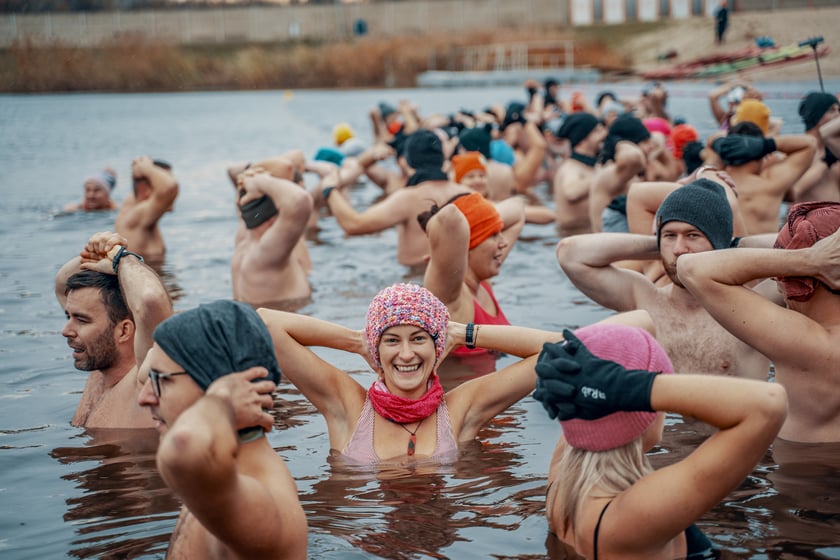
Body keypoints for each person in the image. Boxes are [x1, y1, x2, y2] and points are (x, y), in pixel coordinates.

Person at [258, 283, 597, 465]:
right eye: (392, 341)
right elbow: (268, 323)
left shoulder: (461, 409)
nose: (406, 354)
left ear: (438, 347)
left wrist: (463, 333)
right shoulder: (348, 406)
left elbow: (564, 349)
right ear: (378, 349)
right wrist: (358, 341)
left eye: (419, 339)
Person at [535, 322, 787, 558]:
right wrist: (630, 387)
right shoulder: (631, 515)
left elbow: (639, 321)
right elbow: (769, 404)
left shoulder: (561, 485)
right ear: (641, 405)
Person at [556, 176, 775, 379]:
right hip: (663, 423)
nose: (679, 249)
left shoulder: (752, 306)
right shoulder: (645, 299)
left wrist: (730, 246)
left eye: (693, 235)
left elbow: (804, 247)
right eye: (671, 235)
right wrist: (661, 246)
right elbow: (570, 253)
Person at [137, 299, 307, 559]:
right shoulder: (218, 470)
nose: (145, 396)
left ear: (219, 384)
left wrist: (221, 401)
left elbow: (181, 449)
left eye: (160, 380)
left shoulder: (262, 502)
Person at [678, 201, 840, 443]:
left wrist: (810, 260)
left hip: (806, 477)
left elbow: (692, 269)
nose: (777, 283)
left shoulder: (808, 344)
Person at [54, 231, 172, 428]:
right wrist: (99, 253)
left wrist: (123, 258)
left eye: (81, 320)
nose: (66, 331)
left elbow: (151, 299)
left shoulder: (146, 380)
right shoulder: (100, 365)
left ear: (124, 331)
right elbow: (61, 283)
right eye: (69, 317)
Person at [321, 129, 470, 270]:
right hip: (458, 281)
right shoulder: (468, 194)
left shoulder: (408, 198)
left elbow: (353, 224)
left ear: (408, 162)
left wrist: (330, 190)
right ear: (442, 158)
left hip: (415, 282)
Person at [231, 166, 313, 310]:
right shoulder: (266, 255)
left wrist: (249, 177)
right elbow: (300, 200)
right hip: (278, 327)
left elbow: (233, 170)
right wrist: (260, 181)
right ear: (275, 217)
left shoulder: (244, 236)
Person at [712, 131, 816, 233]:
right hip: (764, 249)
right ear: (759, 158)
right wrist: (766, 145)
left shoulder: (712, 180)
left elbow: (713, 138)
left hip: (725, 250)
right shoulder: (770, 184)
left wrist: (724, 145)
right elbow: (810, 143)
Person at [590, 114, 654, 232]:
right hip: (608, 247)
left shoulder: (630, 175)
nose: (651, 146)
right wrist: (619, 142)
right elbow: (634, 157)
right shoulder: (609, 173)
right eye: (645, 141)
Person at [115, 156, 179, 264]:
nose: (173, 197)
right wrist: (147, 168)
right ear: (143, 188)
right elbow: (170, 188)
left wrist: (142, 168)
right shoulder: (135, 217)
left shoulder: (138, 211)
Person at [552, 112, 606, 236]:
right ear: (583, 138)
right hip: (575, 241)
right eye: (597, 131)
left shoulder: (594, 168)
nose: (604, 134)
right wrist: (604, 175)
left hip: (591, 238)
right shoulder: (570, 168)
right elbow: (571, 192)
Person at [791, 91, 840, 204]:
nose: (838, 115)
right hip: (809, 218)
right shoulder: (798, 148)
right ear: (816, 114)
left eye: (839, 110)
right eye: (832, 110)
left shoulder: (835, 148)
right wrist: (826, 162)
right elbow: (793, 191)